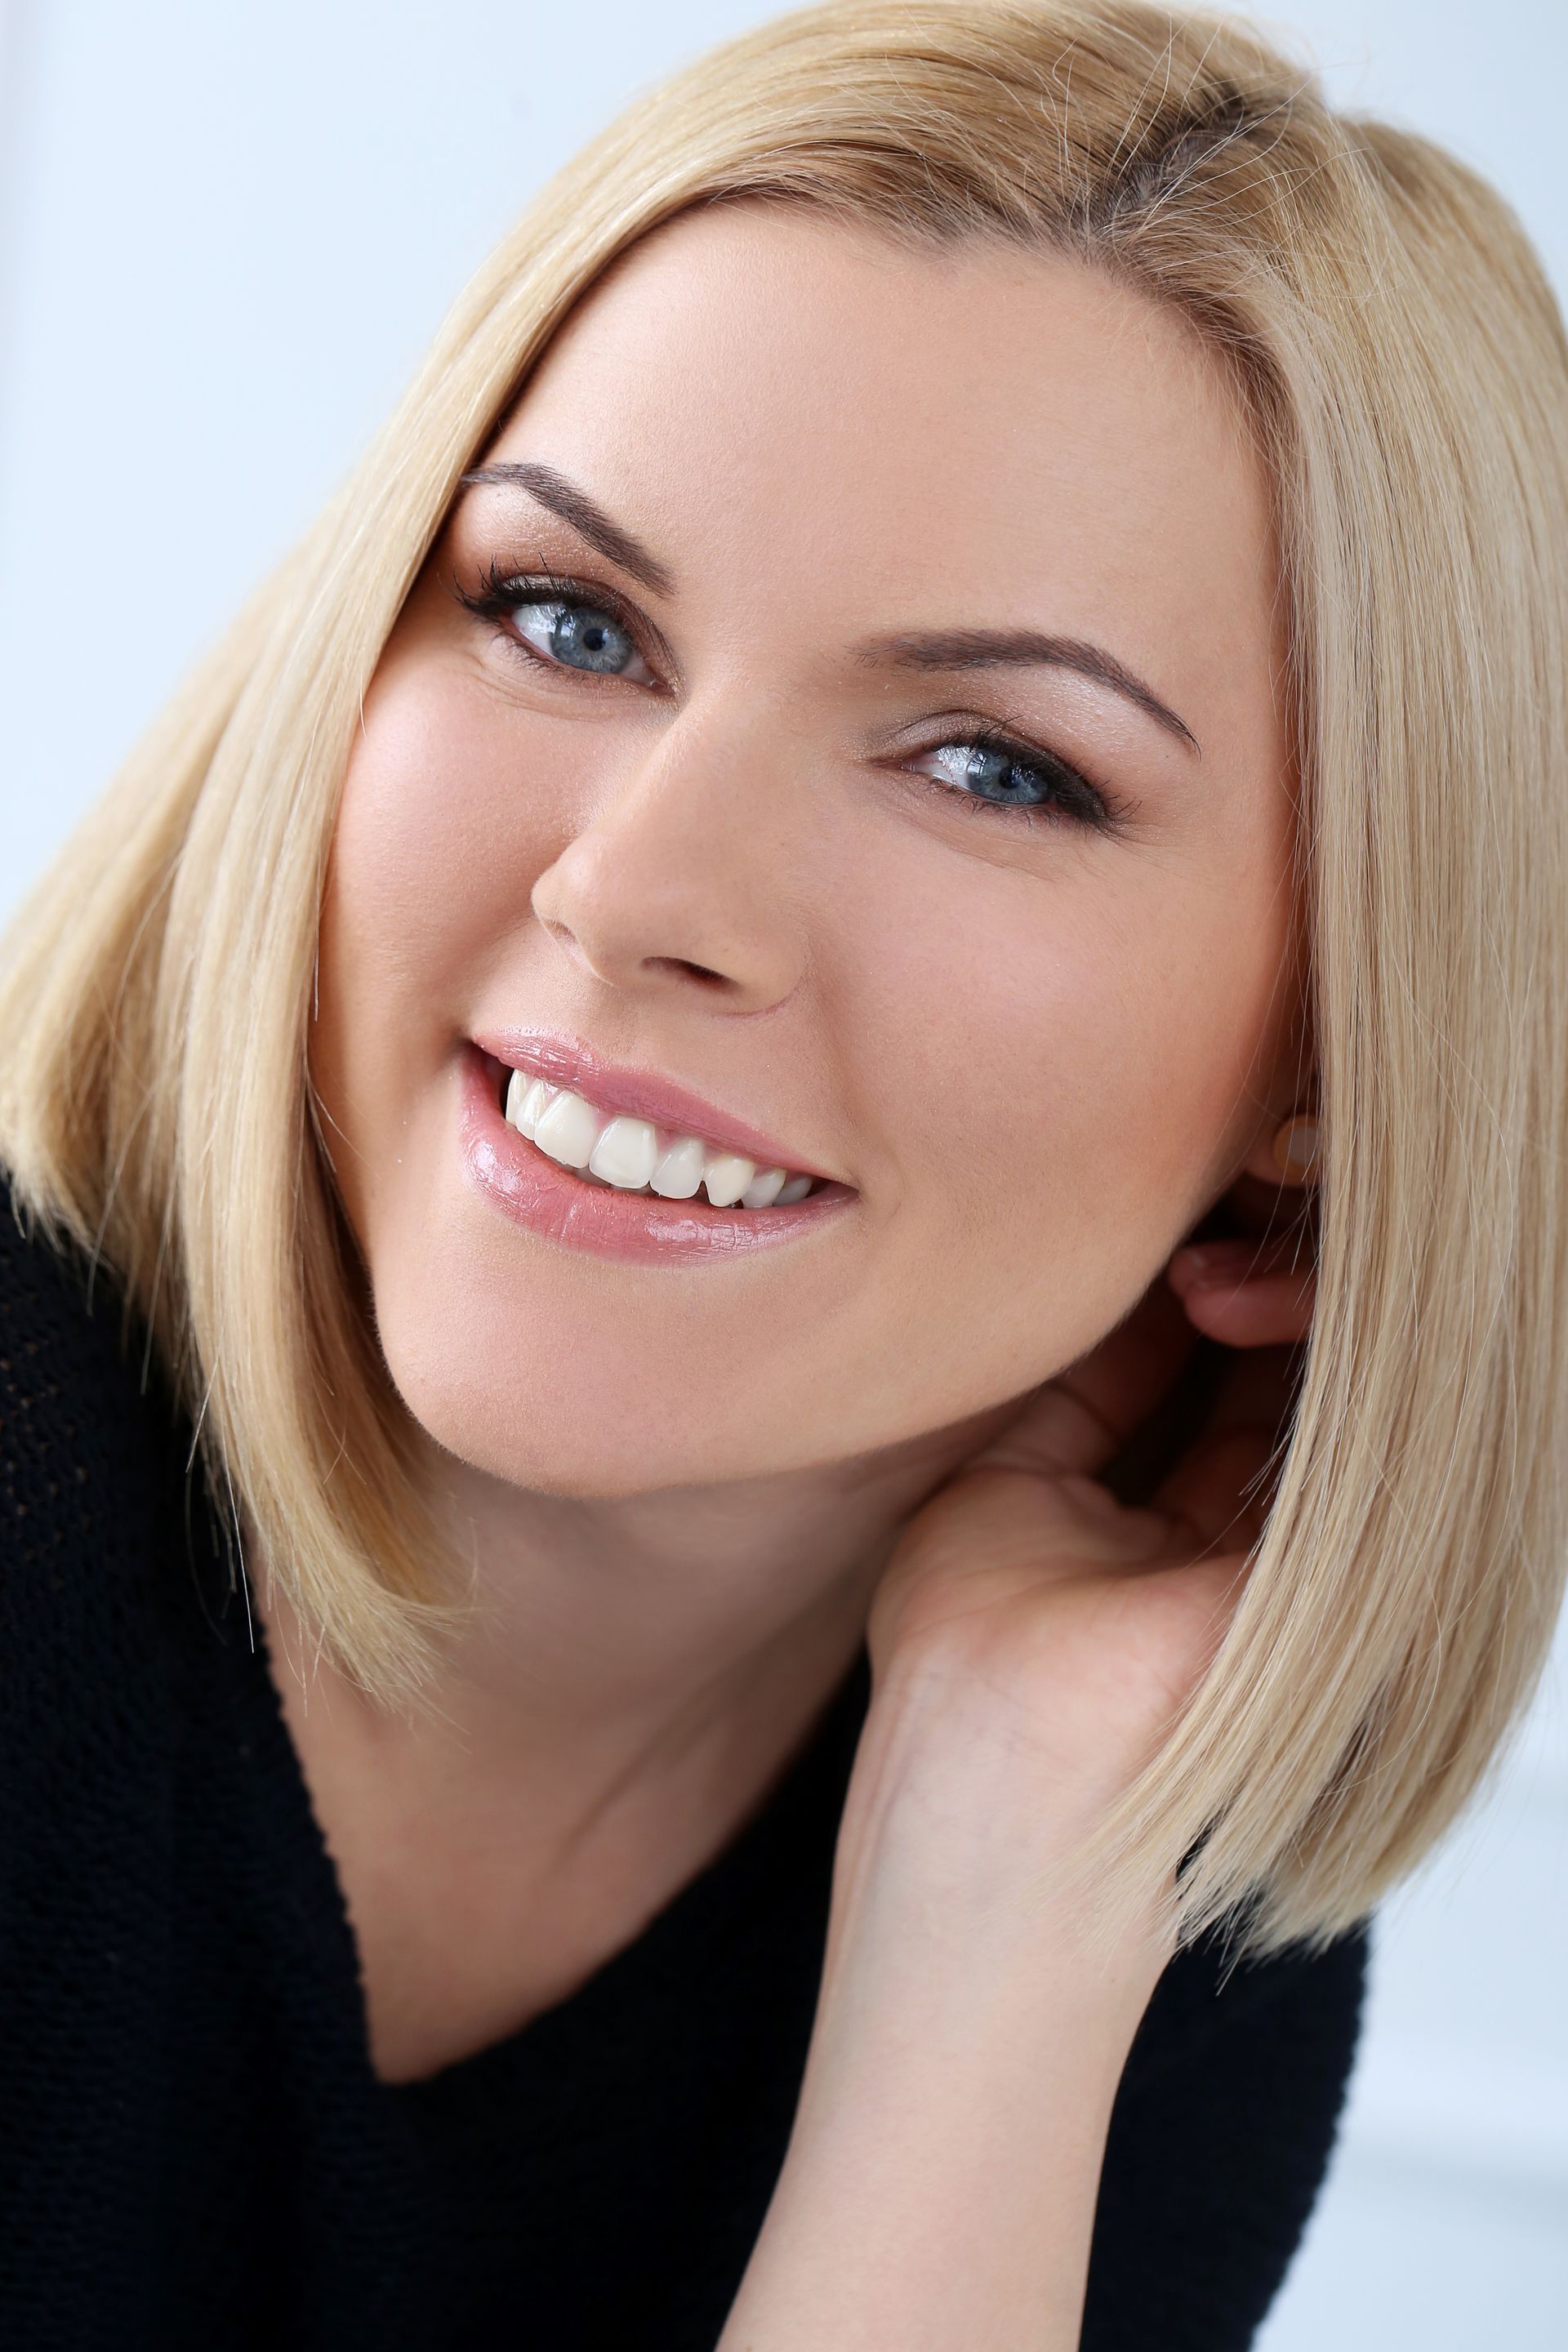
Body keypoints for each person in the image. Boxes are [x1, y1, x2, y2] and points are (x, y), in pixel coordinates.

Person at [1, 2, 1563, 2345]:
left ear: (1341, 1071)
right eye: (564, 619)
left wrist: (1001, 1921)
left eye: (994, 768)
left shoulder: (1153, 1934)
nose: (640, 889)